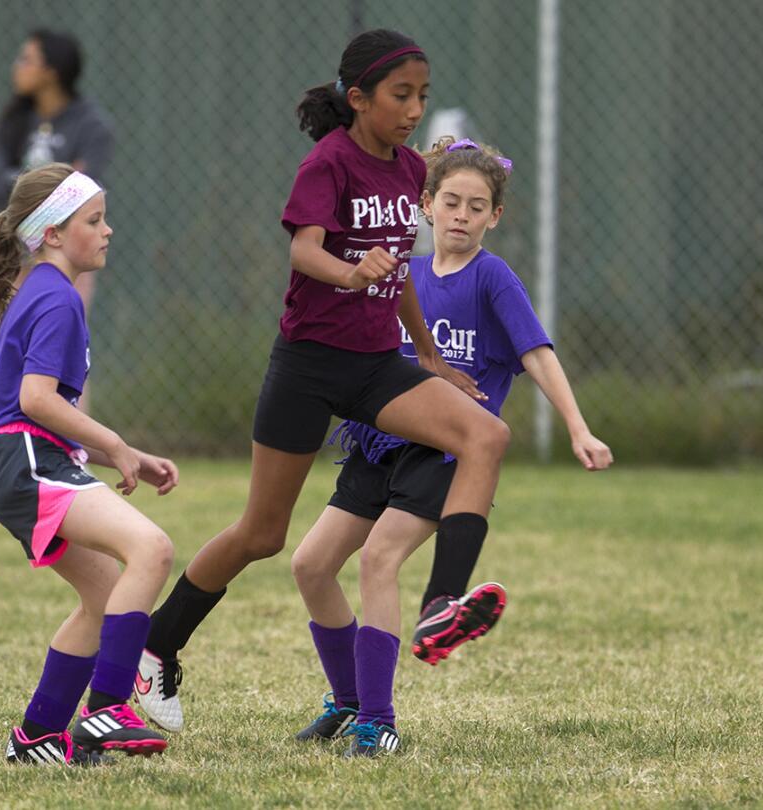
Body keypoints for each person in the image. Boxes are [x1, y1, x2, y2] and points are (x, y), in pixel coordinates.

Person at [130, 29, 511, 748]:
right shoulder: (328, 163)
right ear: (359, 98)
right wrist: (348, 272)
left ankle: (439, 606)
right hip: (308, 363)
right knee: (262, 535)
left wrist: (427, 354)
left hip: (375, 366)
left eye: (423, 97)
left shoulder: (407, 172)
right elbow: (306, 249)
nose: (414, 110)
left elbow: (396, 272)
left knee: (485, 433)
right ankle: (156, 646)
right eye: (401, 96)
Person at [289, 136, 614, 757]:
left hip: (442, 457)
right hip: (379, 444)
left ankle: (377, 722)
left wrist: (577, 425)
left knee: (378, 560)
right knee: (309, 565)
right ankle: (348, 698)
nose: (462, 215)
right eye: (451, 202)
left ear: (495, 216)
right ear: (426, 205)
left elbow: (537, 355)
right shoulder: (404, 275)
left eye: (477, 206)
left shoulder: (492, 279)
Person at [0, 162, 178, 765]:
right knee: (151, 549)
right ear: (51, 233)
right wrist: (116, 444)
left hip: (11, 457)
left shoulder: (44, 290)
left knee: (103, 600)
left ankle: (39, 735)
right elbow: (35, 401)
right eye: (94, 221)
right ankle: (107, 710)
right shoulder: (57, 298)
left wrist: (129, 456)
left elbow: (40, 410)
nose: (108, 231)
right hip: (22, 456)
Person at [0, 28, 114, 414]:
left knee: (65, 340)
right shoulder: (12, 122)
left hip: (66, 247)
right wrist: (52, 187)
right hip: (19, 247)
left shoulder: (90, 124)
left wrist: (23, 186)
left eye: (27, 59)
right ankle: (0, 431)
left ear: (52, 70)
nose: (17, 67)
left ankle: (73, 441)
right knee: (13, 338)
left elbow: (85, 189)